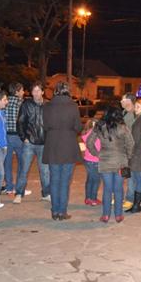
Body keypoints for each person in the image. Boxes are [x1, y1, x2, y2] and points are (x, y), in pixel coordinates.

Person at [42, 81, 82, 221]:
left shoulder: (47, 106)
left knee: (54, 180)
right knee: (64, 181)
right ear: (67, 91)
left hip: (53, 146)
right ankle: (62, 211)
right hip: (68, 147)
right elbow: (78, 127)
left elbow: (45, 126)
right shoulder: (73, 106)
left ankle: (54, 212)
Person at [87, 107, 134, 223]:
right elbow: (131, 143)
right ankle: (118, 215)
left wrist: (96, 154)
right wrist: (128, 156)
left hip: (104, 161)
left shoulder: (99, 127)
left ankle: (106, 215)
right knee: (119, 189)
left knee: (107, 189)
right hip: (121, 162)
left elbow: (89, 142)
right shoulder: (123, 127)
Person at [15, 81, 50, 204]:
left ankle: (46, 193)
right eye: (34, 91)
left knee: (45, 171)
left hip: (44, 143)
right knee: (23, 169)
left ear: (42, 92)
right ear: (31, 92)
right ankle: (19, 193)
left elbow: (51, 124)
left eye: (38, 90)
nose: (36, 93)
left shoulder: (48, 105)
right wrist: (23, 137)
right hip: (29, 143)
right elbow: (20, 122)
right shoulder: (26, 104)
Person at [3, 82, 25, 195]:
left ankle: (9, 186)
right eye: (22, 90)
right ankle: (19, 187)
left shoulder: (4, 102)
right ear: (17, 91)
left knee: (7, 162)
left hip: (6, 135)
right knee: (23, 162)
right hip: (17, 136)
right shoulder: (21, 103)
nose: (23, 92)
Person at [120, 93, 137, 211]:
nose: (121, 101)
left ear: (129, 101)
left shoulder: (132, 115)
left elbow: (129, 133)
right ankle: (121, 197)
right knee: (124, 174)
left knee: (130, 176)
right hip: (123, 149)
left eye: (123, 100)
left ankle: (130, 199)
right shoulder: (124, 113)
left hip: (130, 150)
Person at [81, 119, 101, 206]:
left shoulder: (87, 132)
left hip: (87, 160)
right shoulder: (95, 134)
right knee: (96, 180)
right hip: (95, 160)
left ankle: (88, 198)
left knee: (90, 180)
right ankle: (93, 198)